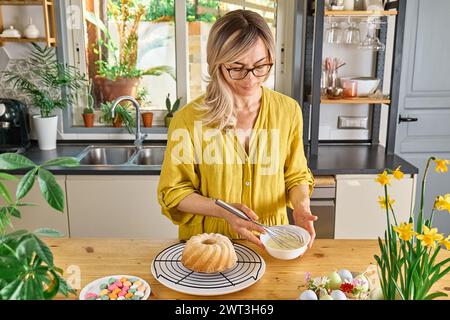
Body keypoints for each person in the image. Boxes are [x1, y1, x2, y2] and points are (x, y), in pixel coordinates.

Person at [158, 9, 316, 248]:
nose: (251, 78)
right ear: (217, 64)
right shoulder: (188, 120)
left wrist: (302, 206)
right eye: (237, 67)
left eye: (261, 66)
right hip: (208, 245)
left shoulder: (288, 111)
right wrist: (223, 211)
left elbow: (295, 175)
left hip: (271, 242)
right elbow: (174, 192)